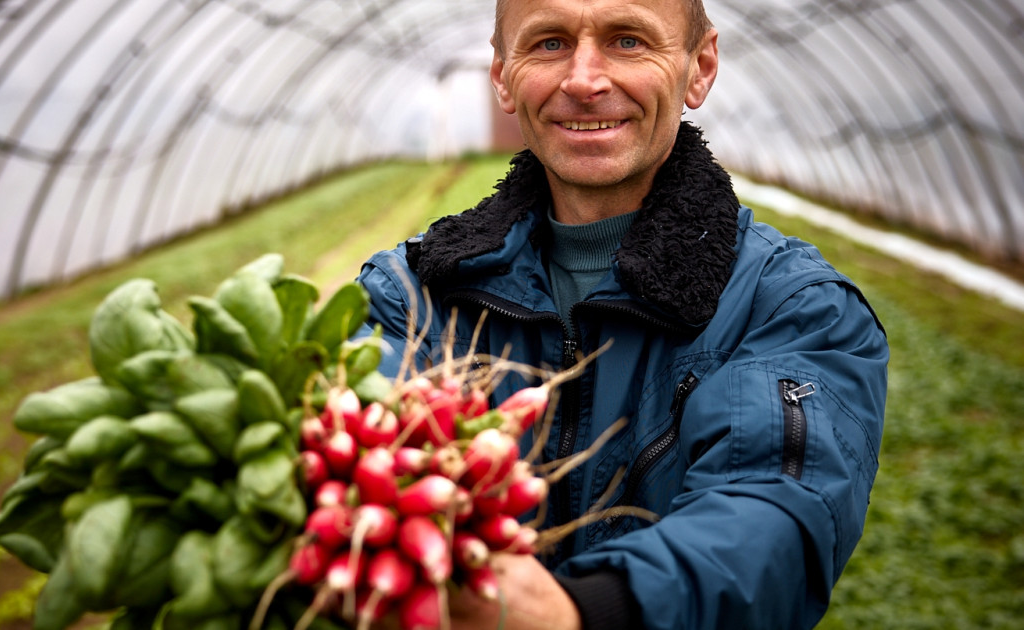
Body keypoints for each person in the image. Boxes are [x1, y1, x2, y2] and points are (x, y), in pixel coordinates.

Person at [356, 0, 889, 628]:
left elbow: (774, 514)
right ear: (502, 74)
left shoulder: (792, 307)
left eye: (628, 41)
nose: (584, 81)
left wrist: (583, 612)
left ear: (700, 67)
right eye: (549, 43)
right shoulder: (412, 295)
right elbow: (357, 461)